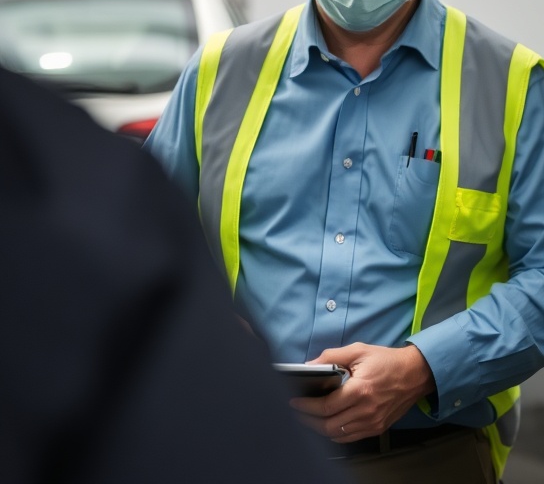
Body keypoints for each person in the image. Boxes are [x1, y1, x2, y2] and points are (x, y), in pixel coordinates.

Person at [144, 0, 544, 484]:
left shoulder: (509, 86)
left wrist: (425, 367)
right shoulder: (221, 75)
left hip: (425, 459)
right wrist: (207, 330)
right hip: (236, 444)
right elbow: (141, 241)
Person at [0, 62, 337, 483]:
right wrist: (213, 329)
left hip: (424, 447)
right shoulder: (67, 178)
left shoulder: (59, 172)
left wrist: (427, 365)